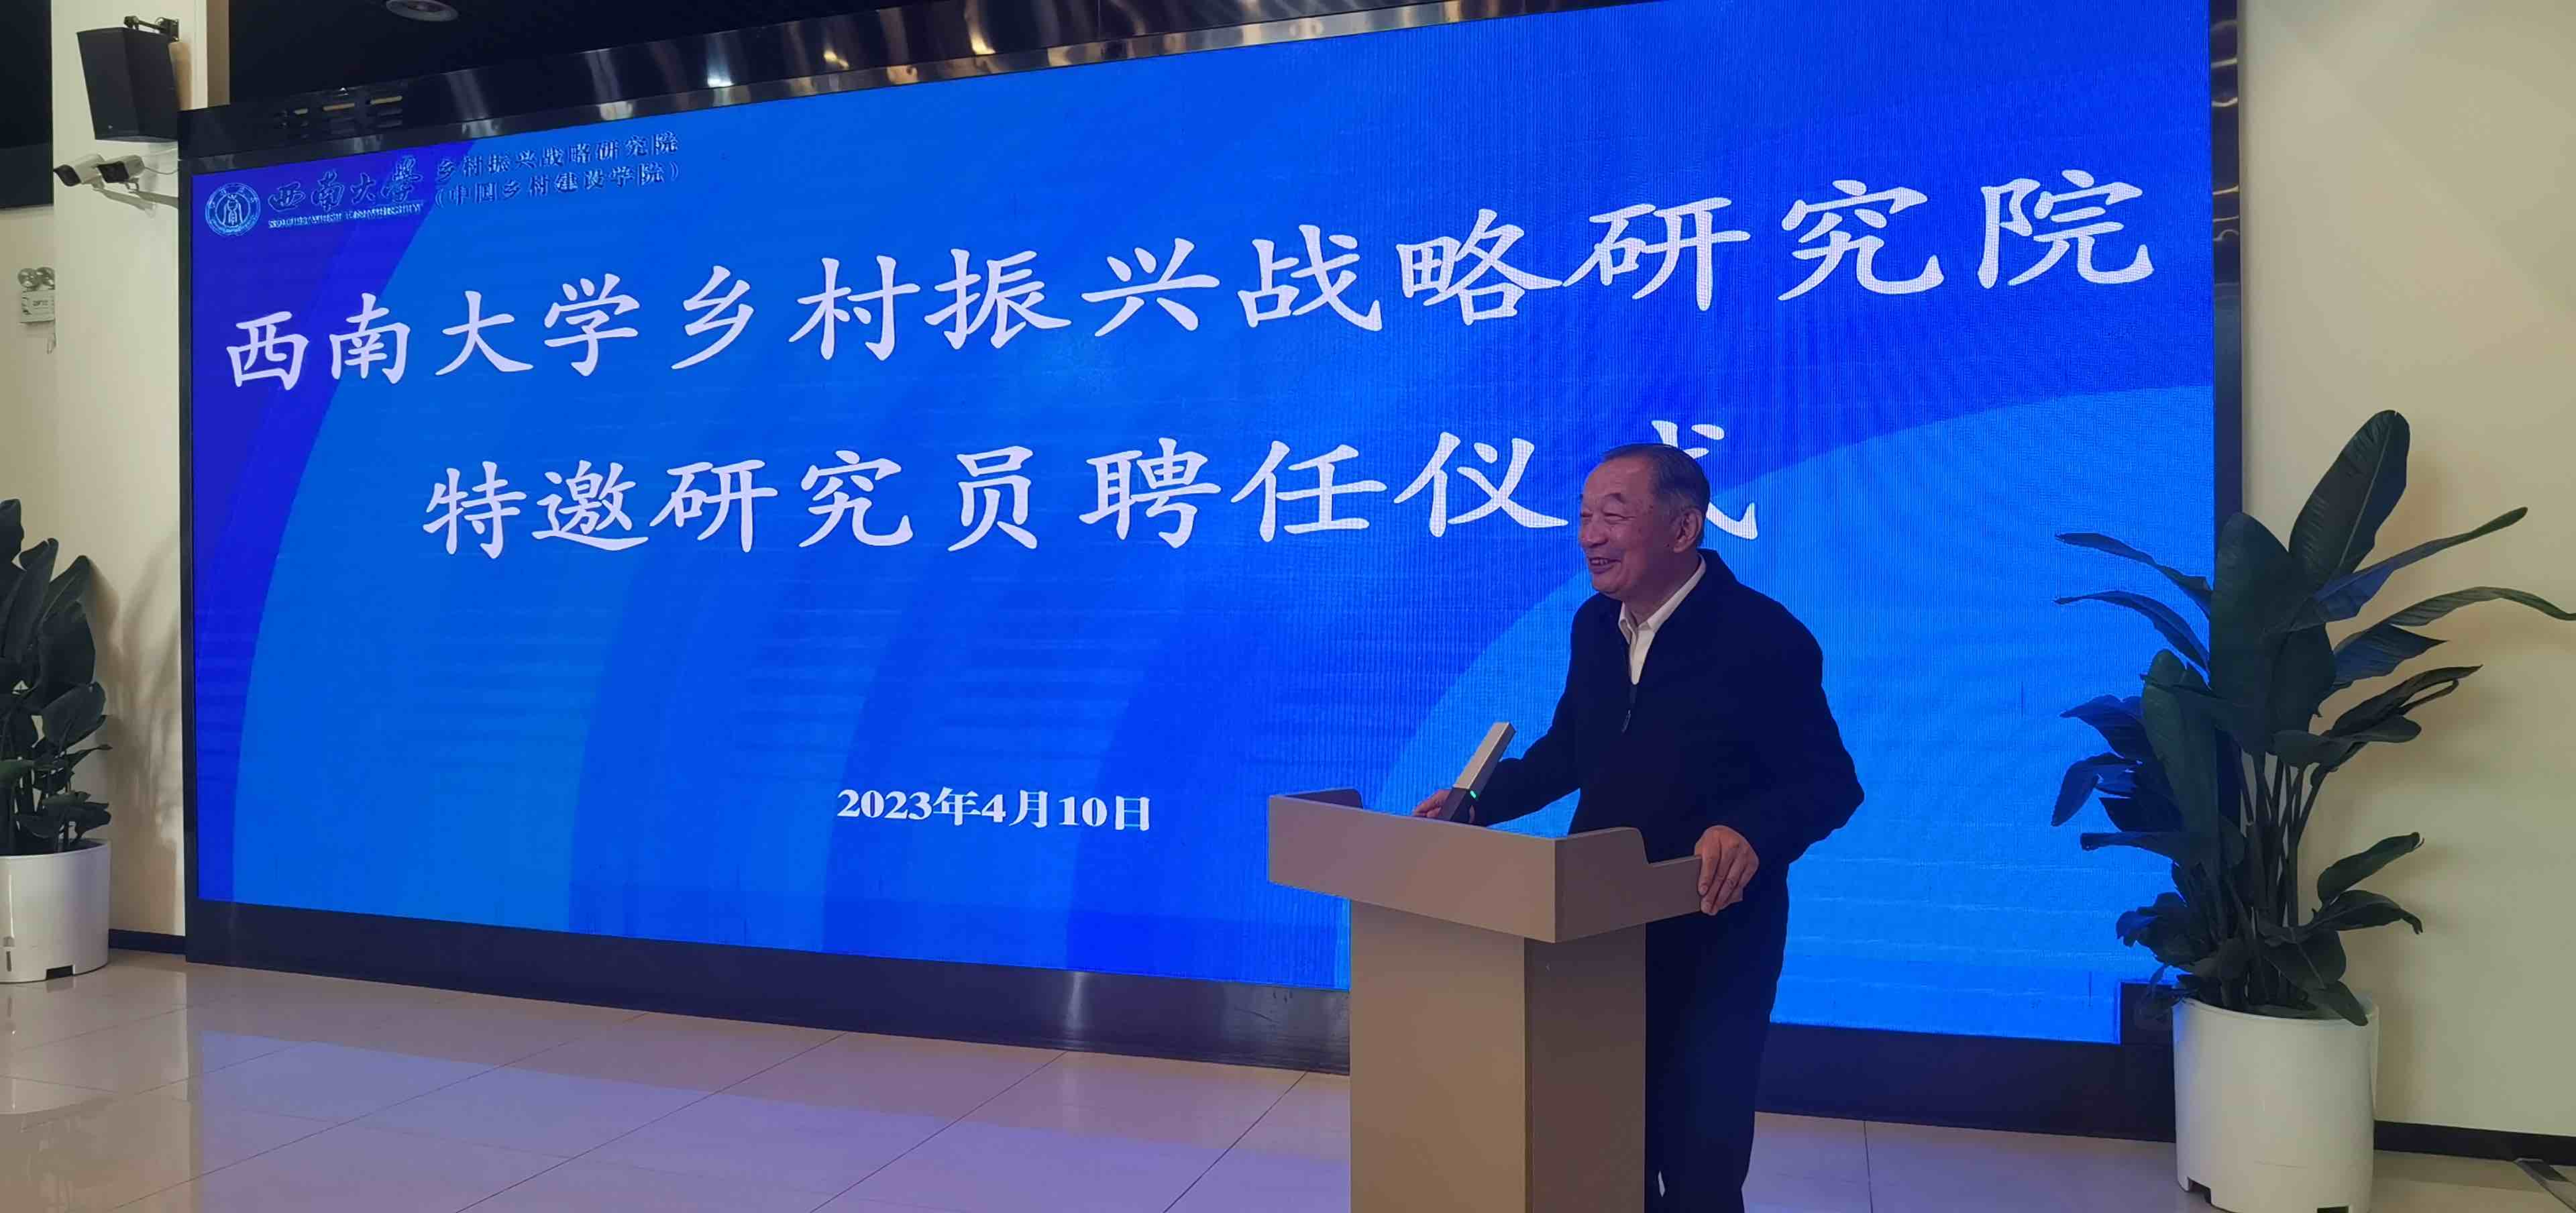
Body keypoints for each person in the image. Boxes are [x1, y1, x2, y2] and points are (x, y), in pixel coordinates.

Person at [1413, 443, 1862, 1212]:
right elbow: (1571, 749)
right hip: (1598, 923)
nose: (1590, 535)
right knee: (1606, 1142)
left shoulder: (1764, 635)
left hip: (1715, 935)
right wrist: (1478, 801)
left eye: (1614, 515)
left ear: (1684, 528)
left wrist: (1751, 829)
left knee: (1700, 1151)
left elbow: (1830, 783)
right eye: (1585, 516)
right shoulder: (1596, 624)